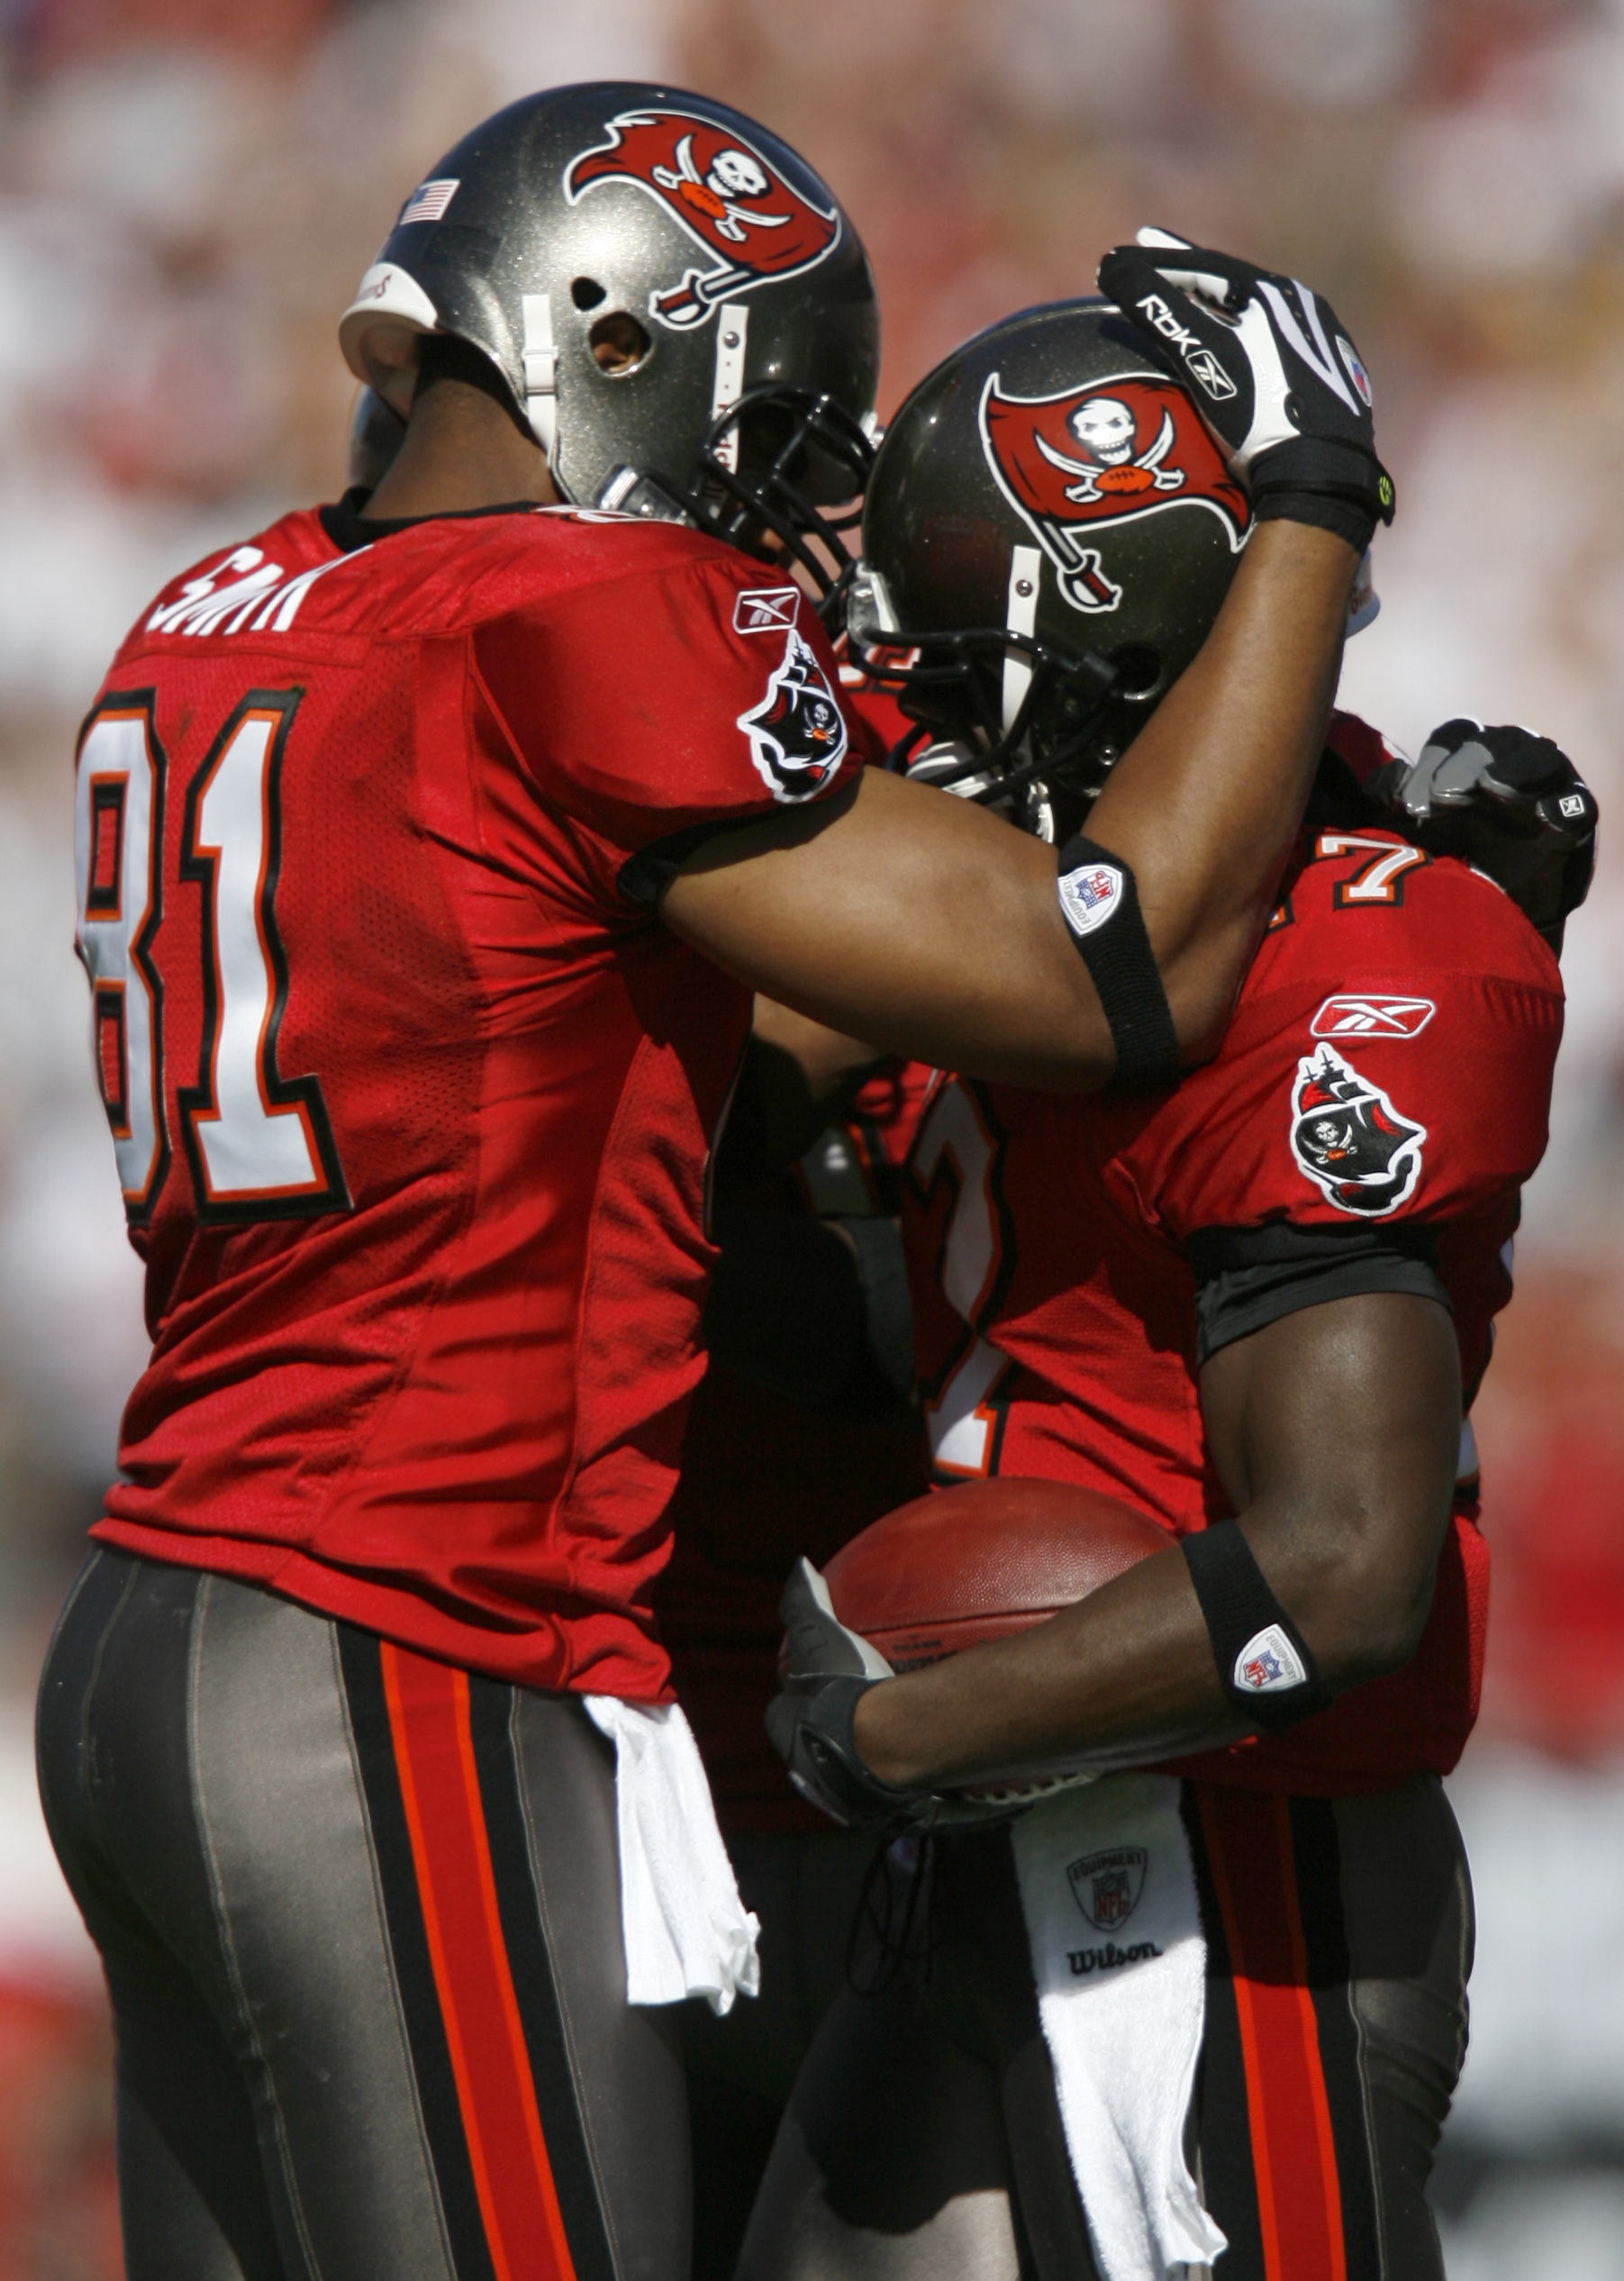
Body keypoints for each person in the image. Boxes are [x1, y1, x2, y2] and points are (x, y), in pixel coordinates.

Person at [36, 80, 1374, 2281]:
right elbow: (1102, 976)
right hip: (403, 1650)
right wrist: (1308, 510)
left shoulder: (223, 603)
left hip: (162, 1625)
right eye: (785, 418)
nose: (799, 500)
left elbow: (604, 1005)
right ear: (626, 335)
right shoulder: (589, 612)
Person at [757, 259, 1596, 2281]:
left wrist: (889, 1741)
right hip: (988, 1841)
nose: (917, 719)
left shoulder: (1354, 962)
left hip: (1228, 1869)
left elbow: (1336, 1574)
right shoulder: (1025, 917)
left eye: (963, 669)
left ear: (1108, 646)